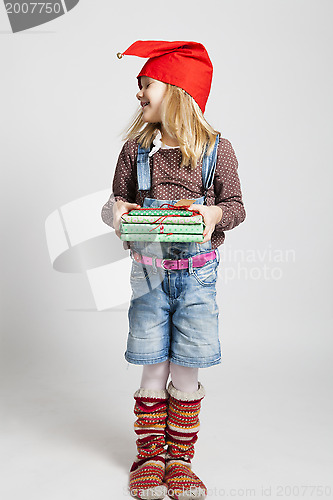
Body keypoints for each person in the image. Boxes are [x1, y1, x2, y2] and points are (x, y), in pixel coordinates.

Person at [101, 40, 246, 500]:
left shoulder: (216, 151)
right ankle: (148, 459)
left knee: (185, 370)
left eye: (146, 85)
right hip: (148, 275)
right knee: (150, 366)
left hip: (197, 278)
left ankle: (179, 463)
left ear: (177, 90)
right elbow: (113, 204)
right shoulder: (134, 151)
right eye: (139, 85)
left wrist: (213, 216)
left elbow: (236, 207)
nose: (138, 94)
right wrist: (118, 214)